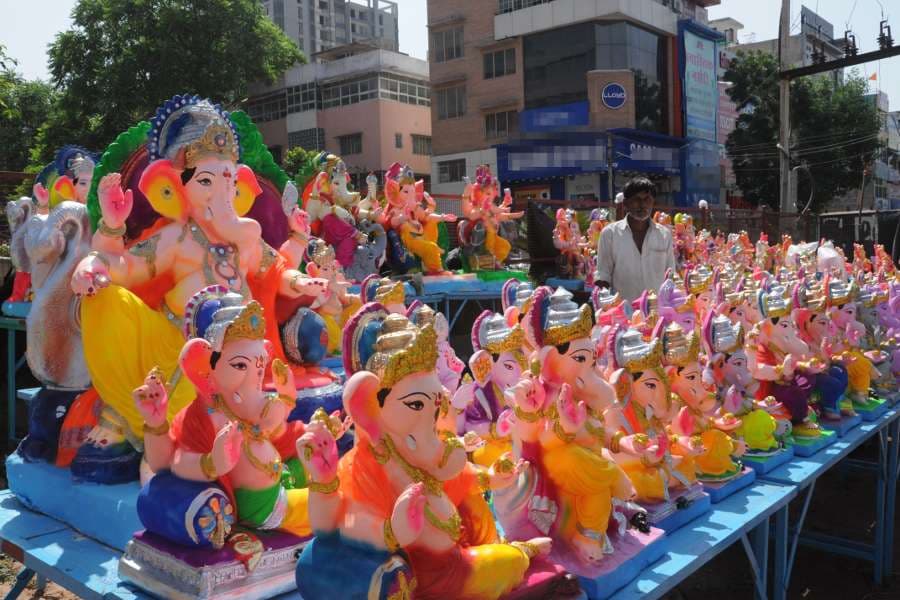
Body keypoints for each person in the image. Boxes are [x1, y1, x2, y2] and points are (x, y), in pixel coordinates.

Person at [593, 177, 676, 302]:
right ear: (626, 204)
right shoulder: (609, 234)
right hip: (623, 313)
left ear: (653, 203)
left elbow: (670, 275)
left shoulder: (664, 235)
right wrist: (605, 308)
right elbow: (603, 275)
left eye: (647, 200)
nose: (642, 205)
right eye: (636, 200)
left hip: (657, 312)